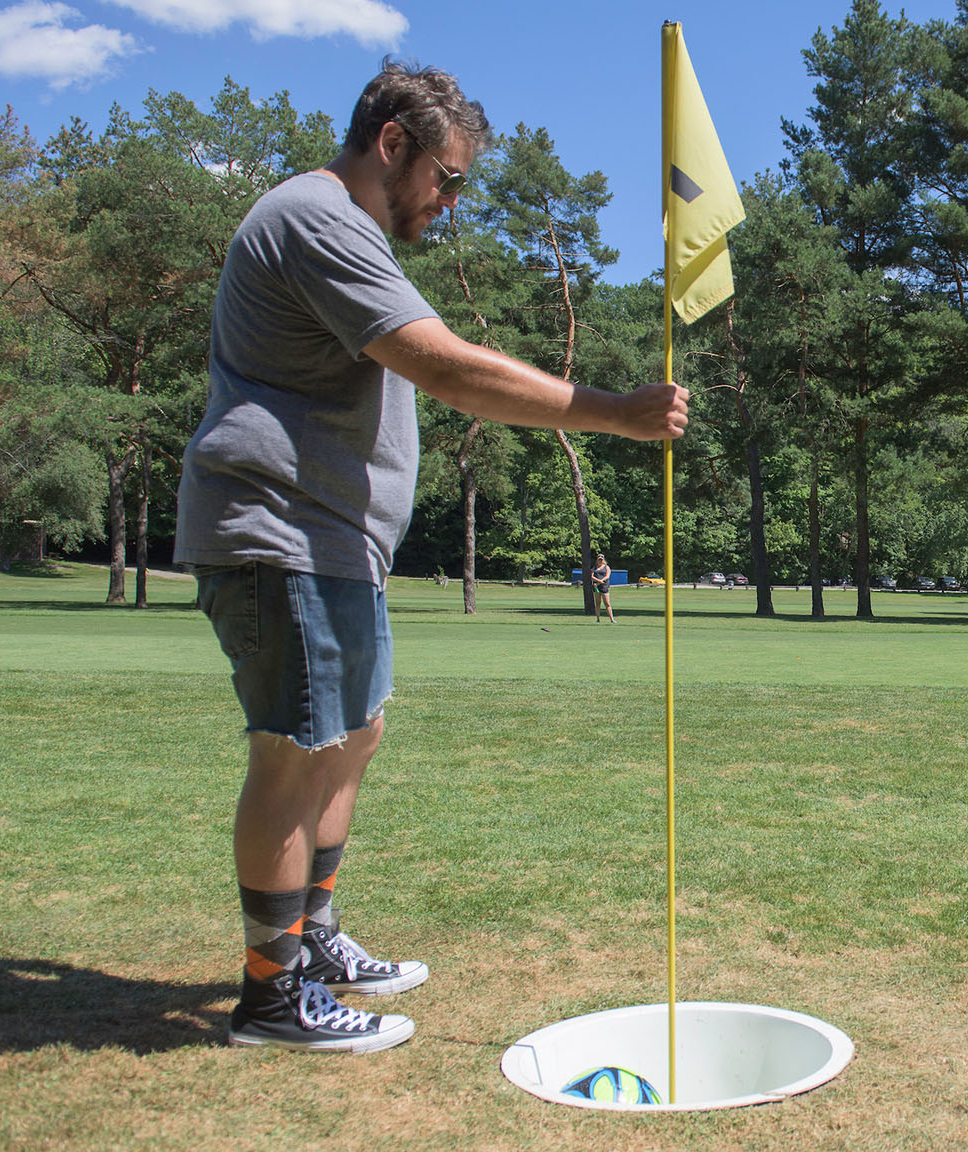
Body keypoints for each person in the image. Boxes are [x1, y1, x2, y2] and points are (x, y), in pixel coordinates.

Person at [174, 61, 689, 1052]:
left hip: (334, 539)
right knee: (296, 752)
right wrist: (613, 415)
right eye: (446, 180)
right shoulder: (316, 219)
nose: (451, 204)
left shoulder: (351, 229)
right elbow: (443, 363)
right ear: (391, 144)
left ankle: (312, 939)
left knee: (351, 737)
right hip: (281, 531)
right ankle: (273, 1003)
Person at [592, 553, 614, 623]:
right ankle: (598, 619)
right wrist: (598, 582)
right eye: (599, 559)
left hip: (604, 586)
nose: (600, 561)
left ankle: (612, 619)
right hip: (596, 587)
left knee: (607, 603)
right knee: (598, 603)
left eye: (601, 559)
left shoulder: (606, 567)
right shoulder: (594, 568)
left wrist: (601, 581)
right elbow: (591, 576)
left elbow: (607, 576)